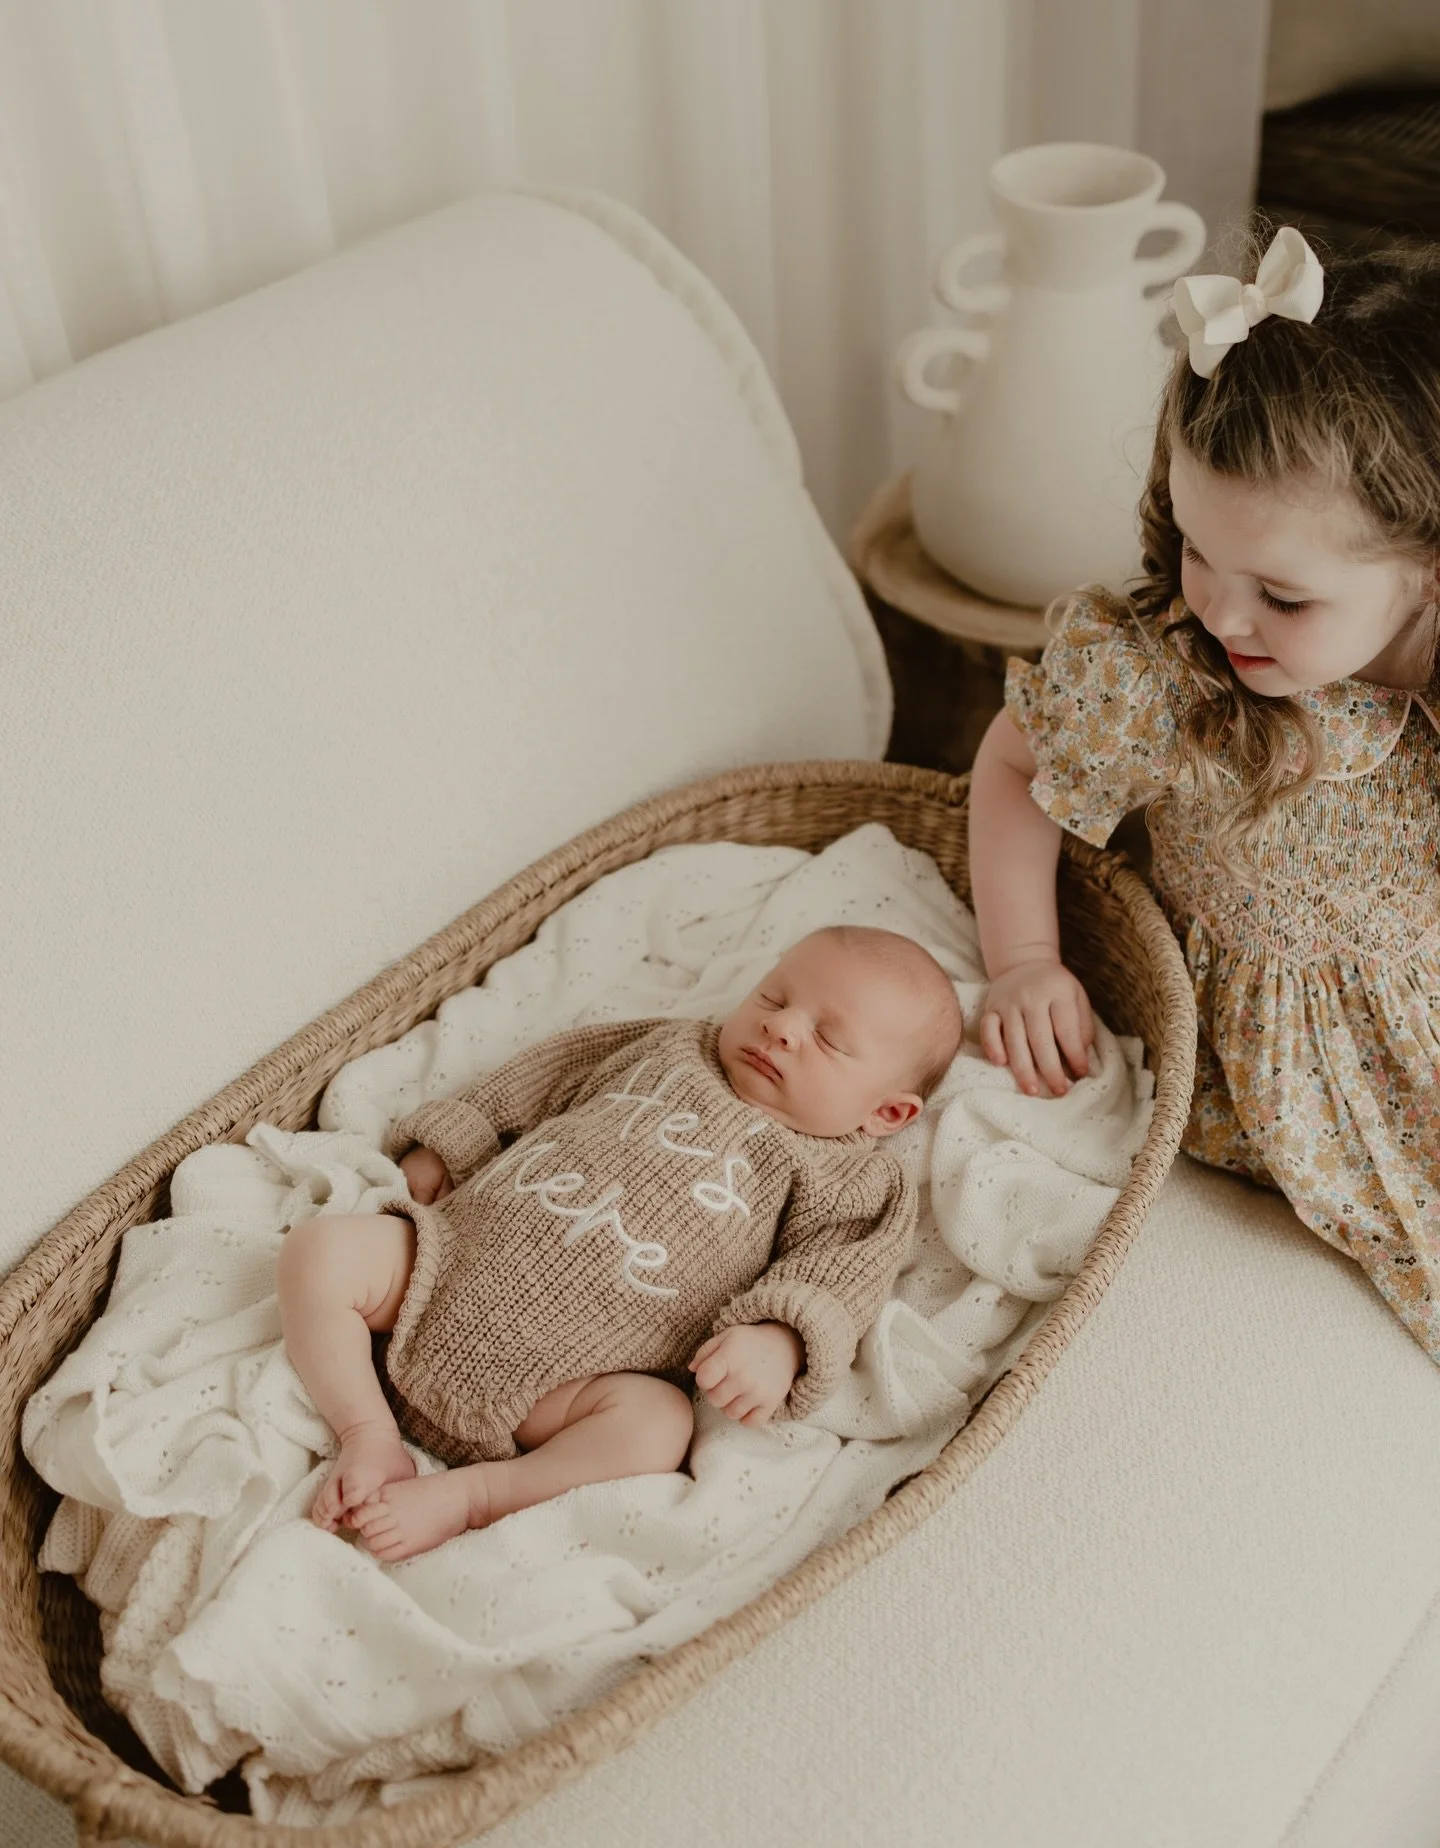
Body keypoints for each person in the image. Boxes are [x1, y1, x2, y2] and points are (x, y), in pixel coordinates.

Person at [968, 225, 1440, 1358]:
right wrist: (1024, 959)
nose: (1225, 618)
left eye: (1283, 596)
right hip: (1290, 1064)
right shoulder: (1162, 674)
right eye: (1195, 550)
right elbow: (1012, 765)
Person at [277, 924, 963, 1562]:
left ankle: (474, 1495)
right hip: (441, 1270)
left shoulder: (854, 1178)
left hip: (570, 1384)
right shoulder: (671, 1047)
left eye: (828, 1039)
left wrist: (781, 1338)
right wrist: (452, 1142)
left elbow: (841, 1276)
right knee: (321, 1251)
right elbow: (540, 1081)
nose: (779, 1027)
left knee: (656, 1427)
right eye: (773, 997)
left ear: (888, 1113)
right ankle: (366, 1434)